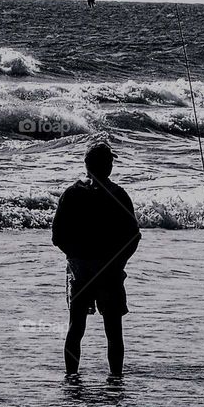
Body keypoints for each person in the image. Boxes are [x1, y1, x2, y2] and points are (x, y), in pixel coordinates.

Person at [52, 141, 141, 379]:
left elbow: (57, 237)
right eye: (110, 161)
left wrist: (76, 259)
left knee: (76, 328)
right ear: (107, 166)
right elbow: (134, 236)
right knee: (113, 332)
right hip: (110, 271)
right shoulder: (118, 194)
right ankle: (116, 378)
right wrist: (118, 263)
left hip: (80, 272)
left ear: (86, 165)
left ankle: (71, 377)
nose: (112, 165)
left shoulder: (71, 194)